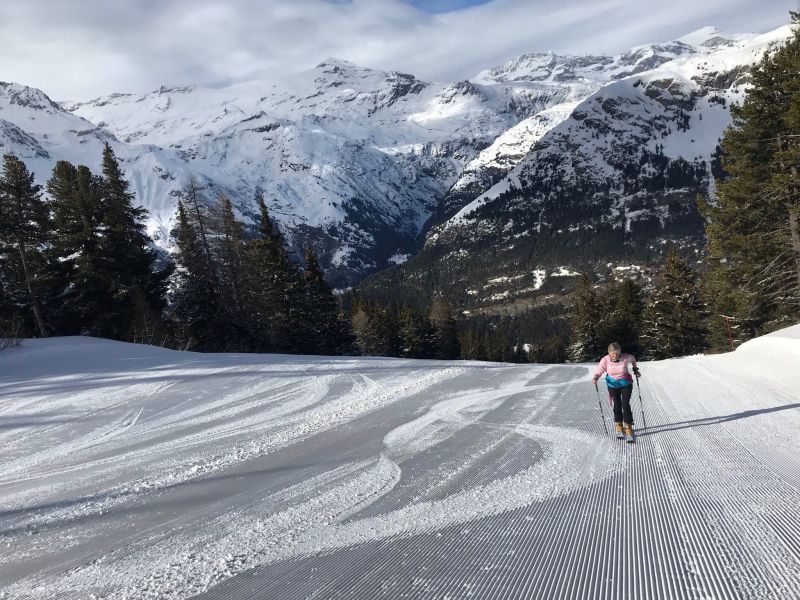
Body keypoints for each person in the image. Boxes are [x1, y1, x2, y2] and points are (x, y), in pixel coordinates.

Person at [591, 342, 641, 442]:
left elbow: (633, 359)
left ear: (620, 352)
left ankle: (628, 427)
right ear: (609, 353)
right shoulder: (605, 360)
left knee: (625, 404)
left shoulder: (625, 357)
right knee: (617, 404)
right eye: (613, 353)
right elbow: (599, 371)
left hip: (625, 383)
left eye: (617, 353)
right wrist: (596, 377)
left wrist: (635, 369)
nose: (615, 355)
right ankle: (618, 425)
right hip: (612, 385)